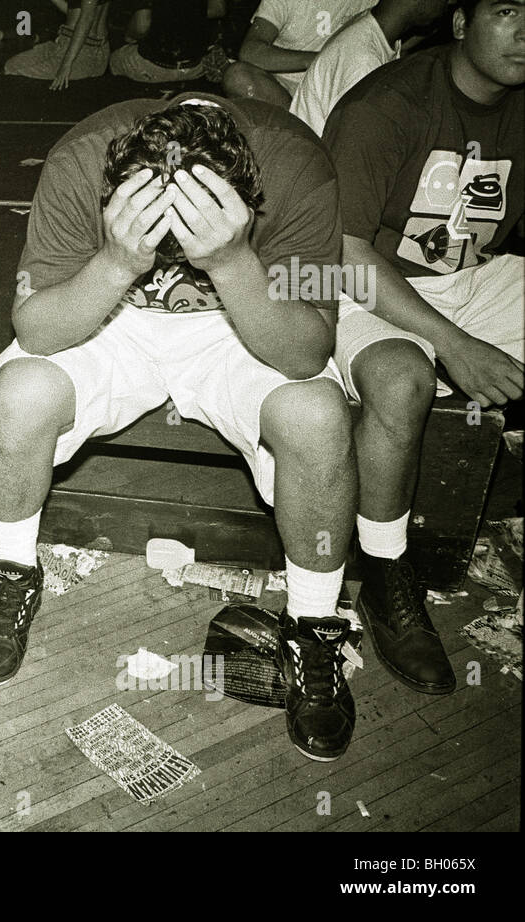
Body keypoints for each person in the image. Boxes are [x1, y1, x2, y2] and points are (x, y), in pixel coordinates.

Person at [0, 96, 361, 762]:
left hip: (243, 318)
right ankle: (11, 572)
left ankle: (313, 624)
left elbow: (303, 353)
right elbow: (35, 331)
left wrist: (235, 259)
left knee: (317, 415)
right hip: (114, 311)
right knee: (19, 393)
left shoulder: (298, 165)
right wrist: (120, 263)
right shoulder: (82, 156)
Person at [321, 0, 523, 695]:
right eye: (508, 10)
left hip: (463, 280)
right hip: (355, 281)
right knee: (404, 379)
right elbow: (341, 252)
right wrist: (454, 346)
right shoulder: (390, 101)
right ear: (462, 23)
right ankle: (384, 574)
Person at [290, 0, 452, 135]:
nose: (447, 4)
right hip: (320, 161)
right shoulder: (363, 59)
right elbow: (352, 143)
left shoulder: (374, 29)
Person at [224, 0, 377, 106]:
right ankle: (298, 128)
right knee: (237, 77)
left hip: (337, 86)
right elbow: (251, 51)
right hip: (282, 88)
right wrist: (318, 60)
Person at [110, 0, 226, 84]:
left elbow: (141, 26)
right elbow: (218, 9)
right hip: (195, 66)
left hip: (153, 67)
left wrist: (129, 37)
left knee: (115, 58)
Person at [4, 0, 112, 89]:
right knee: (11, 65)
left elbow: (86, 19)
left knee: (16, 74)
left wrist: (66, 65)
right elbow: (75, 13)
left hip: (84, 52)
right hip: (68, 44)